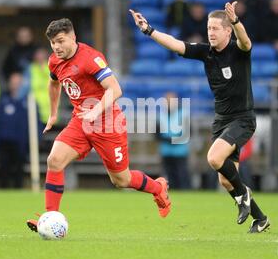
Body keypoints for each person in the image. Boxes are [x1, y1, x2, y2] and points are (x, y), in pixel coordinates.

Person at [130, 1, 270, 233]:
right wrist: (149, 30)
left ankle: (243, 195)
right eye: (209, 28)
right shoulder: (206, 52)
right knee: (225, 180)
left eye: (215, 28)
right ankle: (260, 218)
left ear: (227, 31)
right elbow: (176, 45)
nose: (211, 33)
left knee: (214, 159)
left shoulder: (238, 51)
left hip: (243, 118)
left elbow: (246, 41)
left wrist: (235, 21)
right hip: (221, 120)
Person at [26, 18, 171, 233]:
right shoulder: (54, 61)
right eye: (52, 43)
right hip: (81, 121)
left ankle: (158, 188)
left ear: (73, 37)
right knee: (54, 160)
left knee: (122, 180)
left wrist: (95, 110)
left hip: (107, 123)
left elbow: (115, 89)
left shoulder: (91, 58)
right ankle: (49, 217)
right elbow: (53, 83)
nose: (56, 47)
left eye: (60, 41)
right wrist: (54, 114)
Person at [0, 72, 29, 189]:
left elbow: (35, 124)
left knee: (19, 168)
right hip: (5, 141)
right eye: (13, 83)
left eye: (18, 83)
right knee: (4, 167)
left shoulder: (29, 102)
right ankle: (3, 190)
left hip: (21, 141)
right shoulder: (4, 100)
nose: (15, 85)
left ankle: (18, 190)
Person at [156, 92, 191, 190]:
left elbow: (188, 133)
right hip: (166, 151)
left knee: (182, 174)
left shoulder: (183, 114)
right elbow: (156, 134)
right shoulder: (160, 116)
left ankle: (186, 193)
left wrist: (170, 139)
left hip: (180, 152)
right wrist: (170, 139)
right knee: (169, 175)